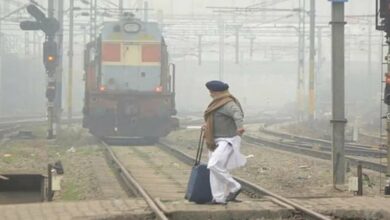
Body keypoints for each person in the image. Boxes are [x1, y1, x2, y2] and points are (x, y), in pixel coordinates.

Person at [203, 80, 247, 204]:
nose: (210, 94)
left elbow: (237, 114)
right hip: (215, 140)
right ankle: (218, 198)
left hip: (227, 140)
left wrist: (240, 127)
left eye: (211, 92)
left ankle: (235, 187)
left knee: (214, 164)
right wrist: (207, 126)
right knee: (215, 170)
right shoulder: (217, 103)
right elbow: (215, 119)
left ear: (217, 92)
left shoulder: (228, 103)